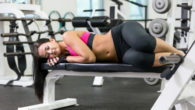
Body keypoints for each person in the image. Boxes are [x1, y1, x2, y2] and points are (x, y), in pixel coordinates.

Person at [33, 21, 185, 101]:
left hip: (121, 34)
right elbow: (87, 58)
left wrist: (64, 58)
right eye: (46, 55)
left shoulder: (67, 36)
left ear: (52, 40)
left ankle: (177, 52)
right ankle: (173, 59)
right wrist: (60, 60)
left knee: (142, 43)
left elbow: (89, 58)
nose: (50, 52)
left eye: (47, 48)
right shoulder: (63, 55)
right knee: (137, 59)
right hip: (122, 55)